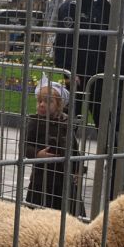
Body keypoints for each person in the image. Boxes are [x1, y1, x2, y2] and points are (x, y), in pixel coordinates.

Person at [53, 0, 111, 128]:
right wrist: (69, 71)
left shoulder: (105, 5)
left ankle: (108, 154)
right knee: (70, 122)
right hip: (76, 75)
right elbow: (62, 44)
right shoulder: (71, 6)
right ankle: (66, 153)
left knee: (105, 121)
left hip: (98, 73)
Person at [23, 78, 82, 215]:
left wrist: (78, 169)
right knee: (38, 213)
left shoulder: (66, 123)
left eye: (48, 101)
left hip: (64, 177)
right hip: (41, 177)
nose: (42, 105)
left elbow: (74, 148)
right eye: (39, 101)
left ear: (59, 105)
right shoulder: (35, 122)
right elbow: (25, 145)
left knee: (69, 212)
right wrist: (37, 154)